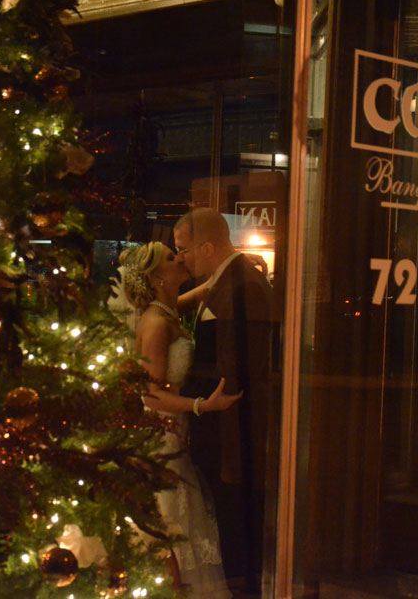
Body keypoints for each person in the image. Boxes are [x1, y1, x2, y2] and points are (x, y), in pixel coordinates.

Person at [113, 241, 238, 599]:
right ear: (155, 277)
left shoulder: (166, 311)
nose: (180, 257)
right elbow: (149, 395)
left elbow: (177, 303)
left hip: (174, 435)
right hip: (160, 440)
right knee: (171, 529)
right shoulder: (155, 323)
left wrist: (214, 281)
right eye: (171, 257)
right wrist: (203, 406)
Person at [174, 207, 275, 595]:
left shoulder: (243, 286)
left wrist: (234, 456)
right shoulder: (222, 283)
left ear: (208, 247)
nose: (181, 257)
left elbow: (240, 374)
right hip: (214, 432)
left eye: (184, 249)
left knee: (236, 527)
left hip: (230, 433)